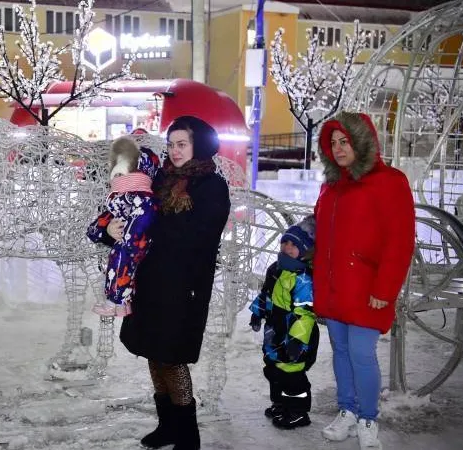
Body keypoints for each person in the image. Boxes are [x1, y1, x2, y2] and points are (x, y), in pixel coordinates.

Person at [104, 116, 231, 449]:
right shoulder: (158, 179)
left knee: (171, 359)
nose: (175, 151)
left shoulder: (211, 186)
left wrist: (145, 230)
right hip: (149, 283)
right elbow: (130, 211)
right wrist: (113, 230)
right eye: (171, 144)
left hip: (183, 287)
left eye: (182, 144)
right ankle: (167, 426)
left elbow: (198, 237)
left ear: (199, 145)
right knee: (154, 354)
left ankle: (187, 436)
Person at [314, 112, 415, 450]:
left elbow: (399, 242)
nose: (338, 148)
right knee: (341, 352)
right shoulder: (332, 186)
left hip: (368, 290)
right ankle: (348, 411)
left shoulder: (389, 181)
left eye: (345, 141)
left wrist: (384, 290)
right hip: (335, 288)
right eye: (333, 142)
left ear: (362, 141)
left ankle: (368, 417)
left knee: (360, 353)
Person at [249, 216, 319, 430]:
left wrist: (297, 340)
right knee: (273, 370)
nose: (288, 247)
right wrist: (257, 312)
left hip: (296, 336)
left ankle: (298, 411)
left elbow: (305, 313)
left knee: (293, 375)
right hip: (275, 331)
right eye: (285, 242)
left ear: (305, 249)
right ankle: (281, 404)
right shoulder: (275, 268)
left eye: (294, 245)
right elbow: (266, 294)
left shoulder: (303, 278)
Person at [87, 137, 159, 317]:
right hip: (134, 266)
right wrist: (107, 231)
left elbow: (140, 223)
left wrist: (127, 240)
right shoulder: (121, 200)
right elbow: (97, 227)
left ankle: (117, 301)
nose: (119, 178)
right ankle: (117, 302)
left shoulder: (144, 200)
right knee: (118, 261)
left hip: (150, 271)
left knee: (121, 260)